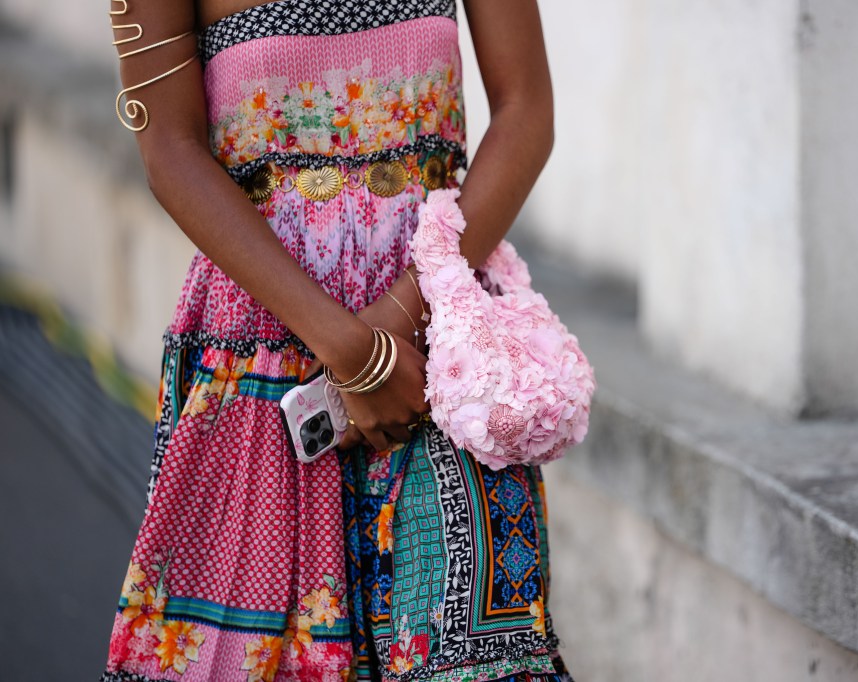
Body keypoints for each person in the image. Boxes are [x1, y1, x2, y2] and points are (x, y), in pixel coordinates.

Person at [101, 0, 571, 680]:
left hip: (441, 354)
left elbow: (527, 110)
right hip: (261, 364)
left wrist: (395, 323)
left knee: (480, 663)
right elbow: (169, 151)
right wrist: (351, 351)